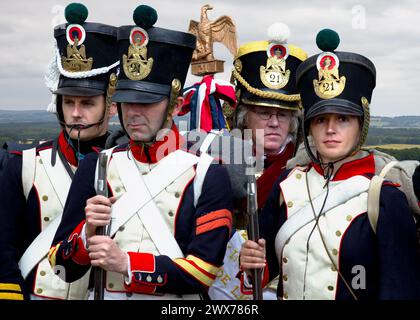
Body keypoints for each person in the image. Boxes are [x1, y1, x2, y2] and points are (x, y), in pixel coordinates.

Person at [48, 5, 233, 300]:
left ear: (173, 104)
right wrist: (86, 235)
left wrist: (127, 264)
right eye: (126, 100)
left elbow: (204, 272)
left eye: (146, 102)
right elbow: (60, 268)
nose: (133, 113)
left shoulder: (209, 175)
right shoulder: (97, 165)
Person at [239, 29, 420, 300]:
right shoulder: (287, 184)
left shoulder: (385, 197)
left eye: (343, 119)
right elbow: (265, 271)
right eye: (321, 120)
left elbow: (400, 289)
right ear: (310, 126)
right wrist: (251, 260)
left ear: (362, 125)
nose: (331, 130)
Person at [0, 3, 119, 300]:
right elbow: (3, 250)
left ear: (111, 105)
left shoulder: (128, 165)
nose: (76, 113)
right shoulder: (22, 165)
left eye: (88, 103)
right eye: (68, 102)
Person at [208, 23, 307, 300]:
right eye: (264, 113)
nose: (275, 123)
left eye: (284, 115)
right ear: (242, 116)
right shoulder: (215, 159)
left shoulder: (306, 168)